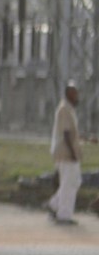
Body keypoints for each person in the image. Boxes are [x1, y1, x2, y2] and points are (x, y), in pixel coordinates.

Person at [48, 81, 82, 226]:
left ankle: (54, 204)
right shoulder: (64, 109)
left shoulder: (69, 109)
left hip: (68, 152)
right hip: (66, 153)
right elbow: (67, 133)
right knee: (69, 183)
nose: (77, 96)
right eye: (75, 93)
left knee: (74, 181)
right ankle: (64, 215)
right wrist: (73, 153)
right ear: (69, 94)